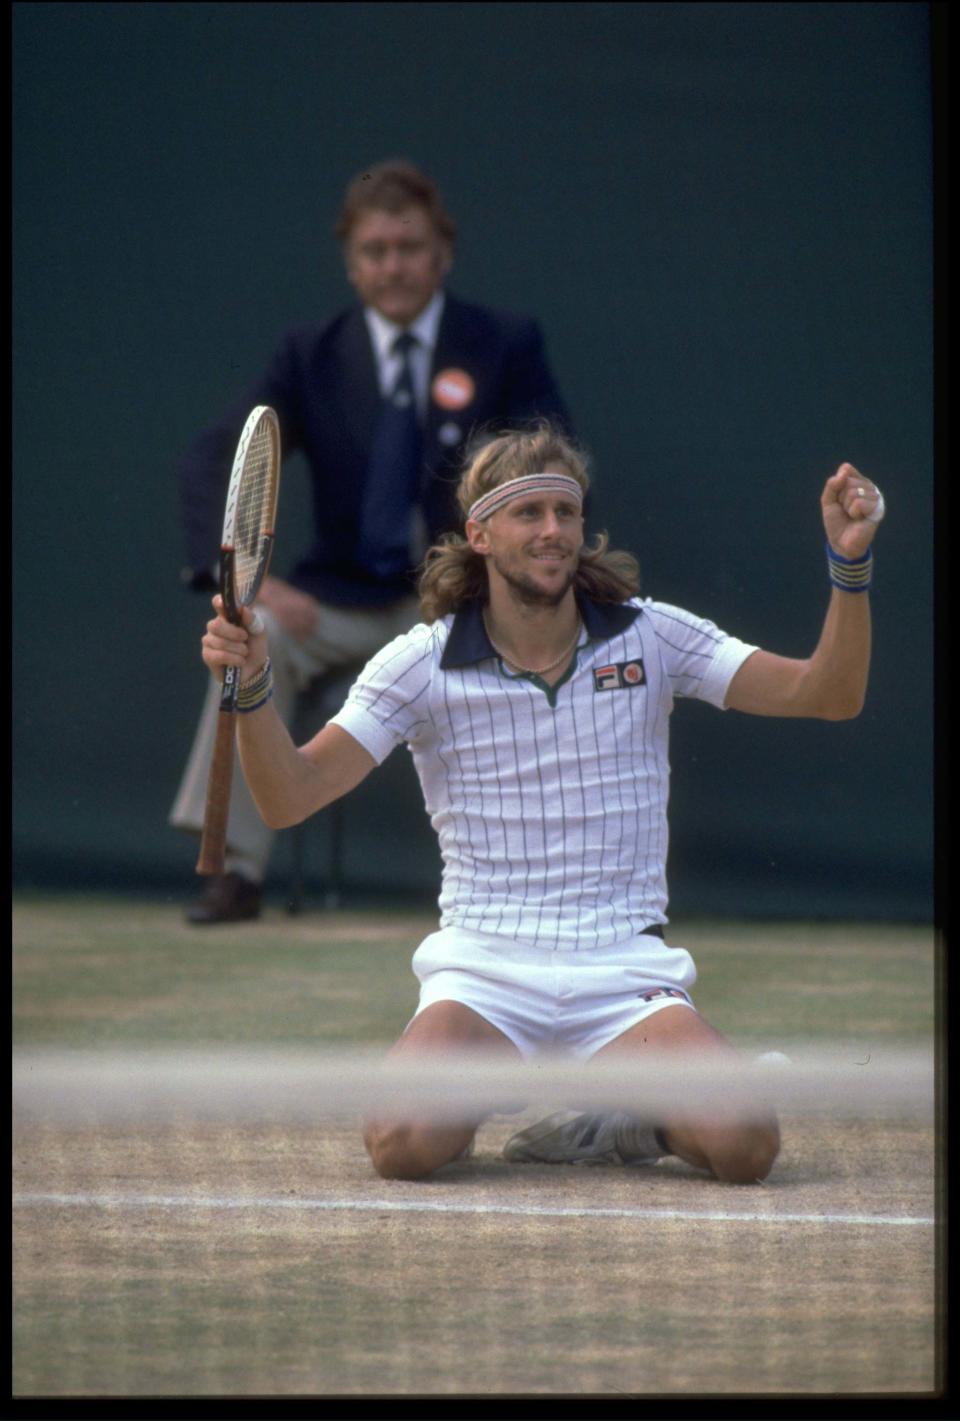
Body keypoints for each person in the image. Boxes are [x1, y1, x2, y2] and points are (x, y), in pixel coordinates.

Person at [198, 423, 885, 1184]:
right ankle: (467, 1105)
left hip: (622, 968)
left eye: (567, 512)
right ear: (480, 534)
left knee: (746, 1146)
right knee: (400, 1143)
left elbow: (830, 693)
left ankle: (627, 1117)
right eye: (530, 514)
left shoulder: (654, 636)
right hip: (484, 969)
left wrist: (848, 563)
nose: (554, 531)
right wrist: (253, 685)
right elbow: (290, 796)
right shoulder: (418, 663)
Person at [171, 159, 571, 922]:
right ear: (352, 265)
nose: (394, 266)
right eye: (376, 251)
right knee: (252, 640)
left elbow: (555, 460)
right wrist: (246, 587)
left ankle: (543, 878)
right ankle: (233, 867)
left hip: (469, 600)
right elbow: (211, 457)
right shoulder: (310, 353)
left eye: (409, 247)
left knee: (545, 652)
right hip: (340, 599)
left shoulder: (504, 344)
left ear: (441, 252)